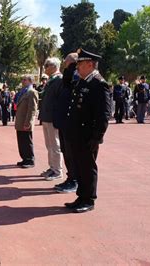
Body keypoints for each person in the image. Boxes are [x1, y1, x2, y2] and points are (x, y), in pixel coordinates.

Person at [64, 49, 111, 213]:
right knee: (79, 166)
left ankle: (89, 199)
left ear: (90, 64)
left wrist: (97, 137)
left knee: (87, 167)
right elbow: (67, 84)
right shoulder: (83, 81)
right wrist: (69, 68)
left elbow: (104, 114)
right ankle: (81, 196)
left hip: (87, 135)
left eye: (80, 65)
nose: (77, 68)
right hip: (77, 134)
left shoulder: (99, 84)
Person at [53, 52, 79, 193]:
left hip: (70, 122)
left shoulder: (75, 75)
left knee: (71, 153)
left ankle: (74, 180)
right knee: (66, 151)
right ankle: (71, 178)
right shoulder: (68, 77)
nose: (64, 64)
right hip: (63, 121)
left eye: (66, 62)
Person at [39, 57, 63, 181]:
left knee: (55, 145)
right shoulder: (51, 80)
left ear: (54, 66)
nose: (45, 67)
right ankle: (52, 167)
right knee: (49, 145)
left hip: (53, 117)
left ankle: (57, 170)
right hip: (47, 117)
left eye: (47, 65)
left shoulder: (59, 79)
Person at [14, 75, 39, 168]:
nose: (22, 81)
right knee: (21, 141)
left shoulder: (32, 92)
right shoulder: (23, 91)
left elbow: (32, 109)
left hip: (26, 121)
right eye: (22, 79)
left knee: (27, 141)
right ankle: (25, 158)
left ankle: (30, 160)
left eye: (25, 80)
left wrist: (28, 122)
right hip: (20, 121)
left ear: (30, 81)